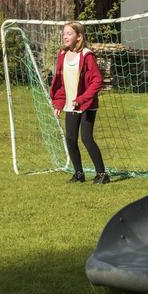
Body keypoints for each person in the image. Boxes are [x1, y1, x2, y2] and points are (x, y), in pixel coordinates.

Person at [49, 21, 108, 184]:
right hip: (70, 104)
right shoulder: (62, 54)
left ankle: (102, 175)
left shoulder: (87, 55)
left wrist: (82, 99)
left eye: (69, 33)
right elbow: (60, 82)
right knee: (70, 138)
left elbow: (97, 81)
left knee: (86, 138)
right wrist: (59, 104)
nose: (65, 35)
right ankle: (79, 174)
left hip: (86, 104)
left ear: (79, 36)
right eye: (64, 33)